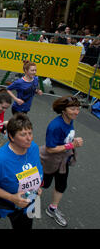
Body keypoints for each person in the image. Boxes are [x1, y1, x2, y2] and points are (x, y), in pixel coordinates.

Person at [39, 96, 84, 227]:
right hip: (50, 161)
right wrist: (71, 145)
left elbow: (65, 138)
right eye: (73, 109)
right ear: (63, 110)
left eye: (78, 108)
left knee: (61, 185)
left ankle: (52, 209)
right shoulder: (55, 126)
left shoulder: (69, 120)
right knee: (42, 184)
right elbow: (50, 149)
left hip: (63, 160)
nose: (76, 112)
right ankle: (29, 206)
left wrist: (72, 142)